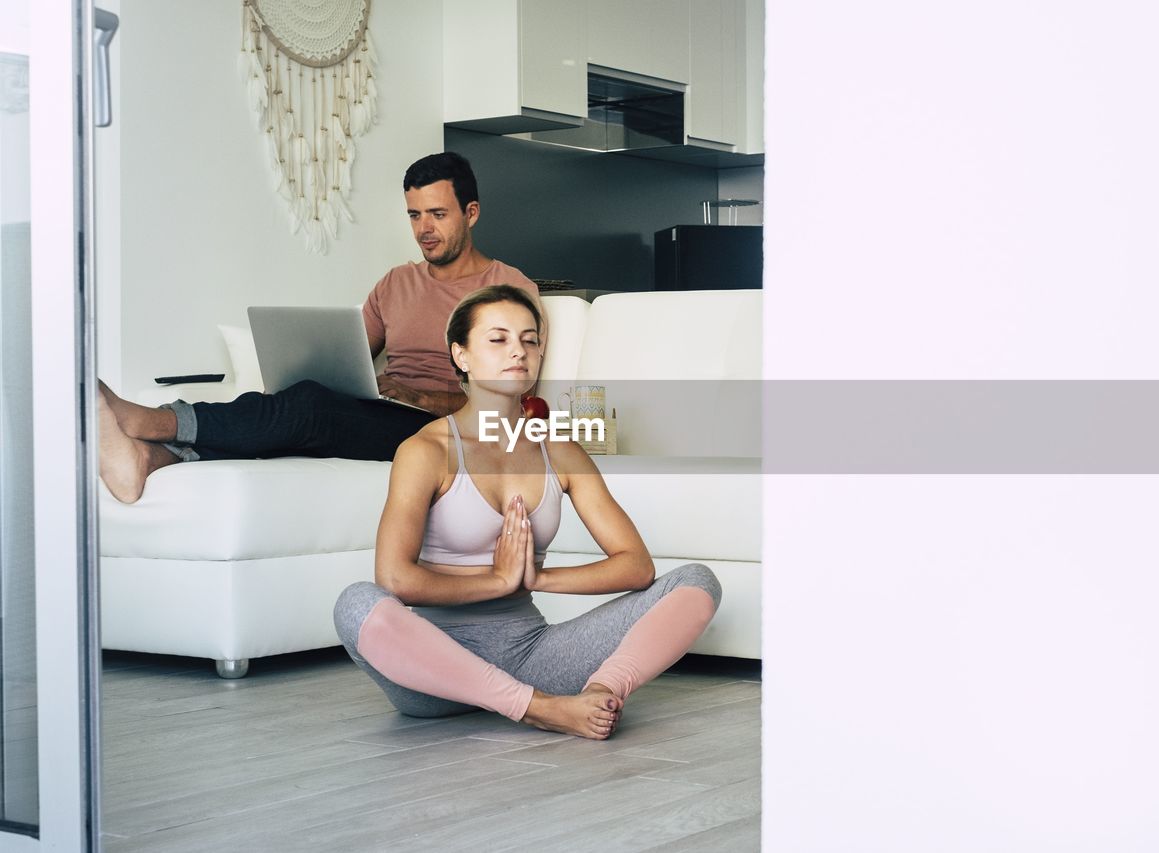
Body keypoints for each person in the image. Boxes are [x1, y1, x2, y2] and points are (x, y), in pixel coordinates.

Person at [332, 285, 720, 739]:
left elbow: (636, 567)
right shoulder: (425, 451)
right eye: (498, 339)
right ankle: (538, 709)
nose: (518, 351)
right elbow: (395, 580)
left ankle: (598, 696)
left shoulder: (560, 450)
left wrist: (536, 580)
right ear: (461, 355)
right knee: (356, 603)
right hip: (435, 675)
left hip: (534, 656)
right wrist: (495, 581)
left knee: (697, 582)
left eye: (529, 339)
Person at [97, 152, 541, 504]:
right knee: (290, 409)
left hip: (450, 432)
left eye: (438, 215)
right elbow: (349, 358)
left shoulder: (508, 289)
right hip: (386, 416)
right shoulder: (396, 282)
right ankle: (147, 459)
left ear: (472, 213)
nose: (423, 229)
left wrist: (421, 396)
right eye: (414, 215)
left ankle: (151, 422)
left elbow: (510, 402)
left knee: (309, 408)